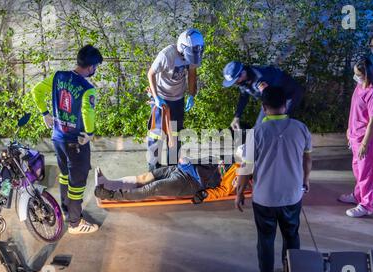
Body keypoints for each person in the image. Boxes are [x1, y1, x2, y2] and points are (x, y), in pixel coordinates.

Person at [235, 86, 312, 272]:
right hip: (292, 196)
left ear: (263, 106)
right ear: (286, 105)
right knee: (292, 236)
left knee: (266, 239)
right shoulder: (300, 128)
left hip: (264, 198)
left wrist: (240, 192)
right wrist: (305, 180)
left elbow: (246, 167)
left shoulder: (257, 132)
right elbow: (307, 159)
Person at [32, 44, 103, 235]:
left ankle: (66, 211)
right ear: (91, 66)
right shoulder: (87, 88)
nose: (95, 70)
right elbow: (88, 113)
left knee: (64, 176)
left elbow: (36, 91)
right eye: (95, 67)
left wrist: (45, 113)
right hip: (76, 141)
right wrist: (90, 133)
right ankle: (75, 222)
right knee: (77, 182)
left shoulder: (58, 76)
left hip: (58, 138)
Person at [147, 29, 205, 169]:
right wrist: (156, 97)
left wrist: (191, 94)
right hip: (162, 99)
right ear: (182, 47)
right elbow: (151, 74)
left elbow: (192, 73)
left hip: (178, 99)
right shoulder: (167, 55)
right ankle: (153, 168)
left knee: (175, 135)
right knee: (157, 136)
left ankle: (172, 168)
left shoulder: (194, 53)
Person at [338, 58, 373, 217]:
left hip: (367, 138)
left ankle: (366, 205)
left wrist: (365, 143)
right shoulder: (360, 85)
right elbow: (356, 110)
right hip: (355, 135)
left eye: (358, 74)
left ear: (367, 74)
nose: (356, 77)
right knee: (358, 169)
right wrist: (350, 129)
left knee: (367, 172)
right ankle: (358, 195)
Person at [94, 156, 241, 202]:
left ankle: (112, 195)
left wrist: (204, 195)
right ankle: (108, 184)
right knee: (145, 177)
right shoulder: (231, 157)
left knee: (152, 188)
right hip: (179, 168)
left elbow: (224, 190)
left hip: (188, 182)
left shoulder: (239, 172)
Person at [222, 61, 304, 130]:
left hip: (290, 95)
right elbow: (244, 97)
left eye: (235, 81)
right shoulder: (242, 81)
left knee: (274, 123)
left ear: (243, 73)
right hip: (272, 96)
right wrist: (237, 117)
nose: (235, 83)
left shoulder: (260, 79)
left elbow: (270, 102)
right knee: (261, 126)